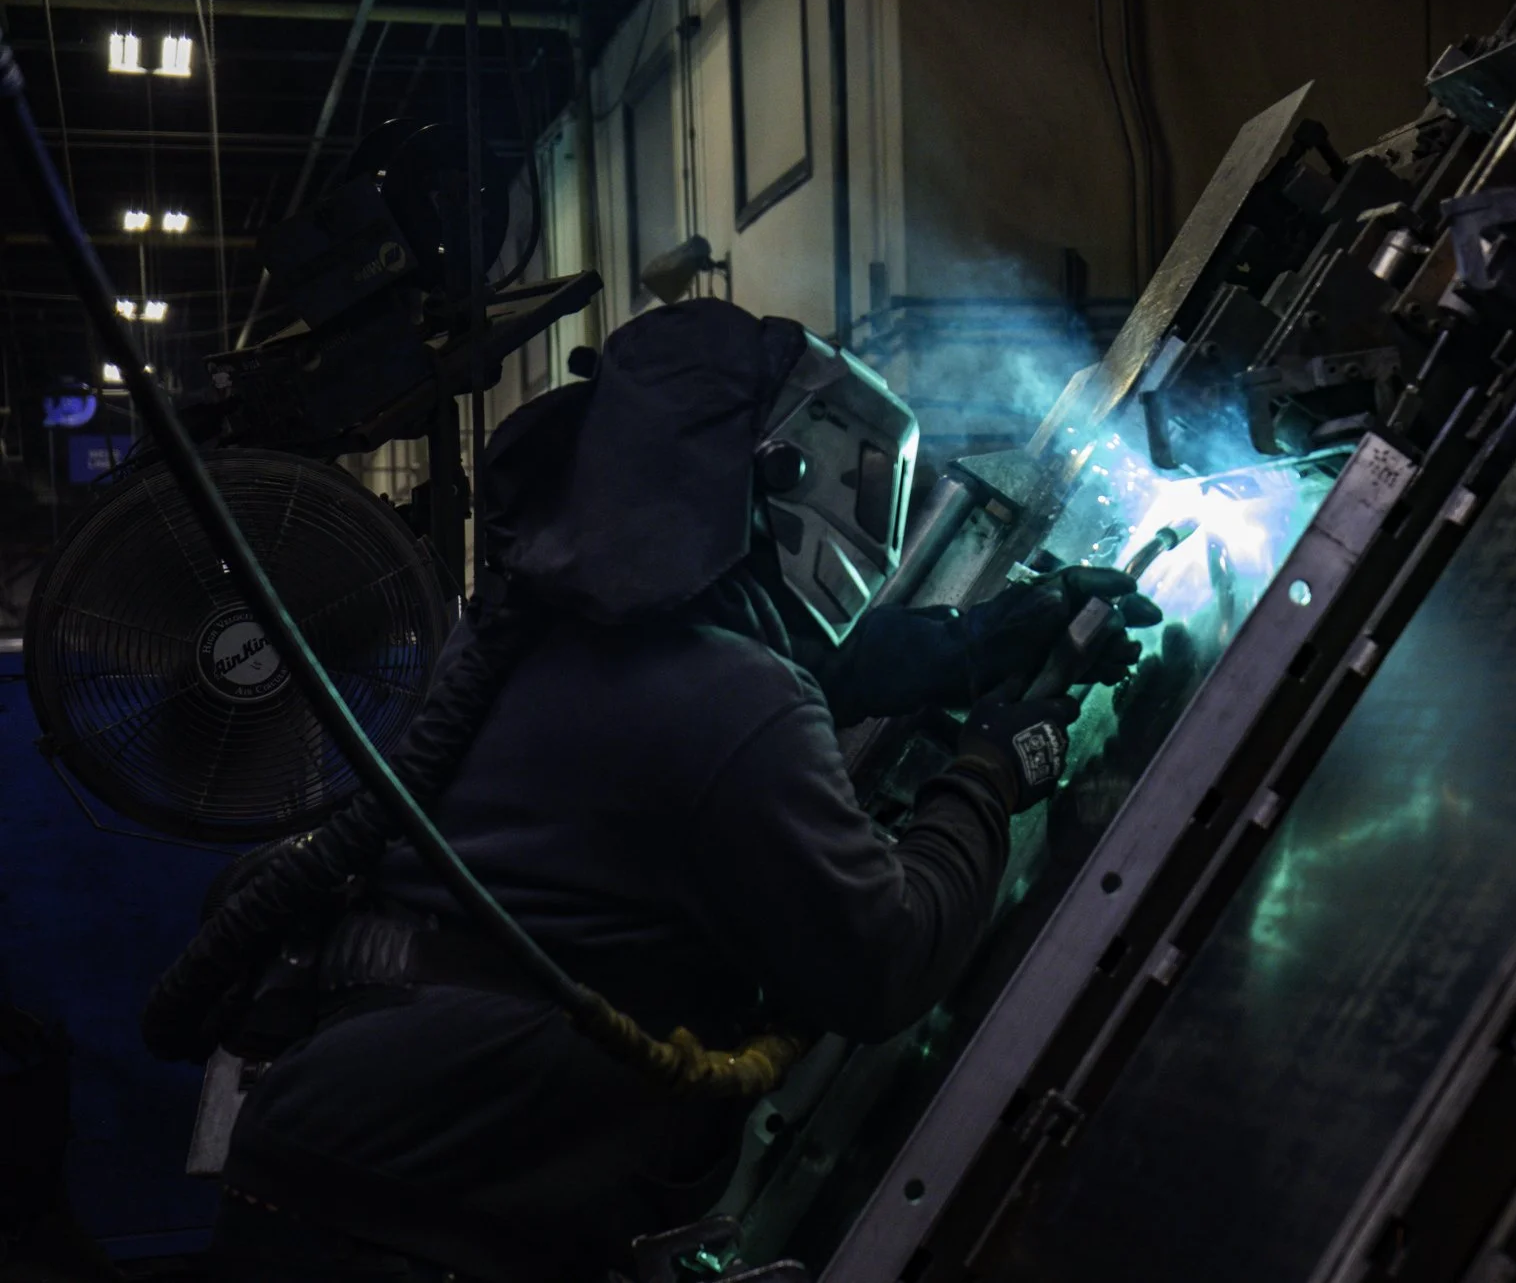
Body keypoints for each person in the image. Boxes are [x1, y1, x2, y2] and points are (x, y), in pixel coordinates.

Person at [185, 299, 1158, 1281]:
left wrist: (988, 638)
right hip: (431, 1222)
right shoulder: (730, 700)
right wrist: (987, 775)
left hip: (333, 1167)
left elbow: (758, 675)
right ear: (777, 468)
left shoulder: (522, 635)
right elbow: (885, 961)